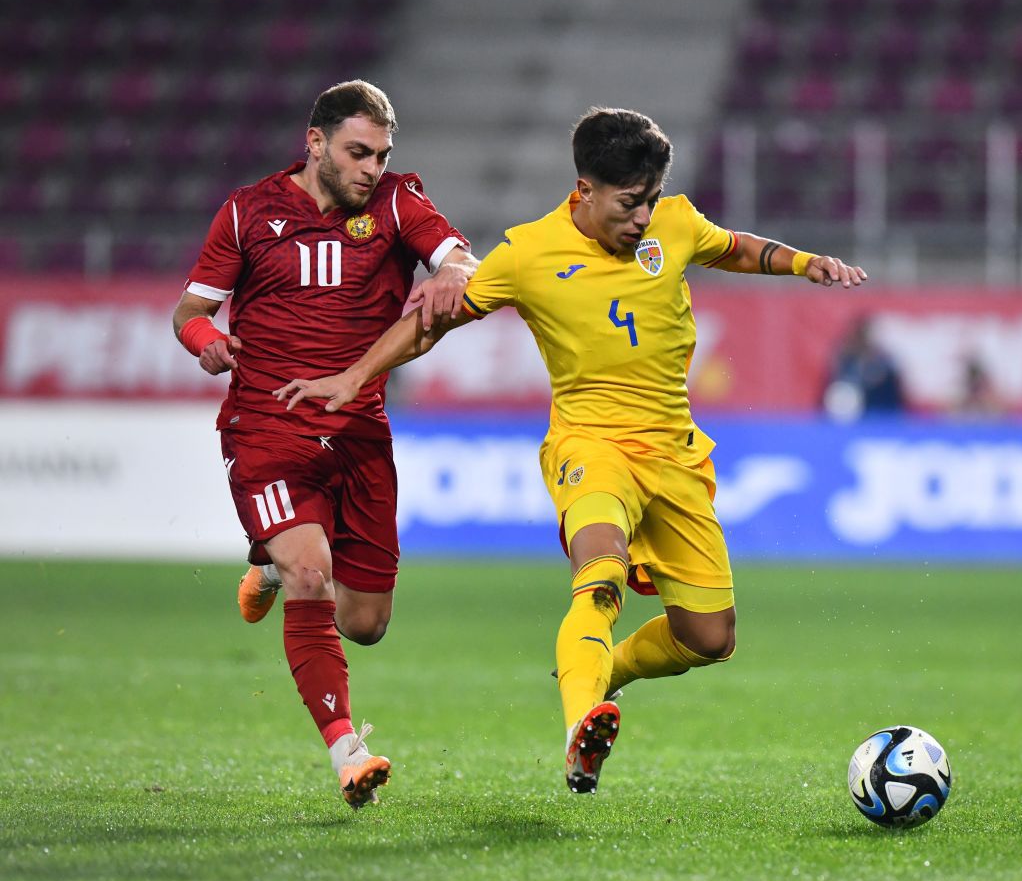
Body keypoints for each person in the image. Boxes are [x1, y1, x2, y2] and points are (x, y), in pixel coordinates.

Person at [273, 107, 866, 794]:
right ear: (585, 188)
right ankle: (581, 726)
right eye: (629, 203)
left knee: (711, 639)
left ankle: (599, 670)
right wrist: (352, 377)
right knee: (601, 571)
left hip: (675, 454)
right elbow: (431, 323)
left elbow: (729, 245)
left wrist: (803, 263)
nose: (644, 218)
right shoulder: (528, 253)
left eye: (649, 200)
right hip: (590, 444)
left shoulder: (673, 221)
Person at [170, 80, 478, 808]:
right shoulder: (248, 212)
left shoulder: (398, 201)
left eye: (382, 154)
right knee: (313, 571)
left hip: (359, 431)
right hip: (267, 426)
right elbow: (190, 309)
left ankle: (269, 561)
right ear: (315, 144)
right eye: (358, 152)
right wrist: (207, 339)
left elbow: (457, 254)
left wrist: (455, 276)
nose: (372, 167)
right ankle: (348, 750)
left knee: (365, 623)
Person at [823, 315, 904, 421]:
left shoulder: (883, 359)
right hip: (850, 412)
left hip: (880, 412)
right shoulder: (845, 358)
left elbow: (893, 393)